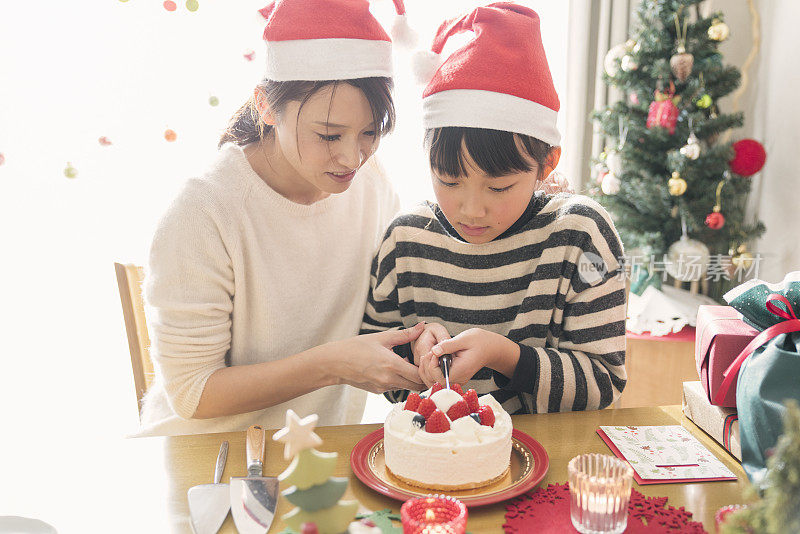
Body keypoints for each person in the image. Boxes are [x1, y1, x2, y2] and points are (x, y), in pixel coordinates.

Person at [139, 0, 425, 436]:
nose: (353, 156)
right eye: (328, 134)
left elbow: (387, 305)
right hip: (205, 460)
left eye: (371, 132)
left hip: (316, 460)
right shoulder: (203, 211)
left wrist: (419, 338)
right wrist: (331, 365)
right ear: (267, 107)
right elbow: (192, 392)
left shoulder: (372, 184)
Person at [362, 3, 627, 415]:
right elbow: (376, 366)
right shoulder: (406, 239)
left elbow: (603, 383)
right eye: (449, 181)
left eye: (499, 186)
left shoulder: (579, 235)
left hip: (548, 458)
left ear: (547, 162)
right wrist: (417, 355)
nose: (471, 209)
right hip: (433, 464)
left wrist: (506, 356)